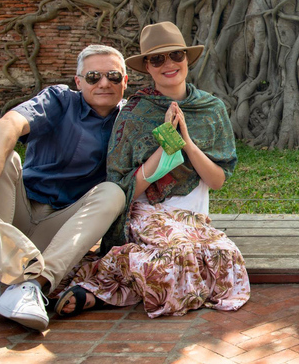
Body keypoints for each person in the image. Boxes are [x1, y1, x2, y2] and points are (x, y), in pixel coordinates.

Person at [55, 22, 250, 318]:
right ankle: (96, 292)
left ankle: (108, 285)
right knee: (175, 257)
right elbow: (122, 187)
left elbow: (218, 180)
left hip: (193, 219)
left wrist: (186, 142)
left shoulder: (212, 109)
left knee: (226, 258)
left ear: (187, 58)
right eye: (157, 59)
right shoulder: (134, 112)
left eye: (175, 55)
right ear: (147, 66)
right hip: (146, 215)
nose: (168, 64)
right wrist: (166, 142)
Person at [0, 45, 128, 331]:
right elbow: (7, 125)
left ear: (125, 81)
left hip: (59, 227)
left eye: (113, 76)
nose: (104, 83)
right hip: (17, 212)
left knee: (112, 193)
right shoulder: (59, 100)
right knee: (7, 157)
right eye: (93, 76)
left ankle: (32, 286)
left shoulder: (129, 119)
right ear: (78, 82)